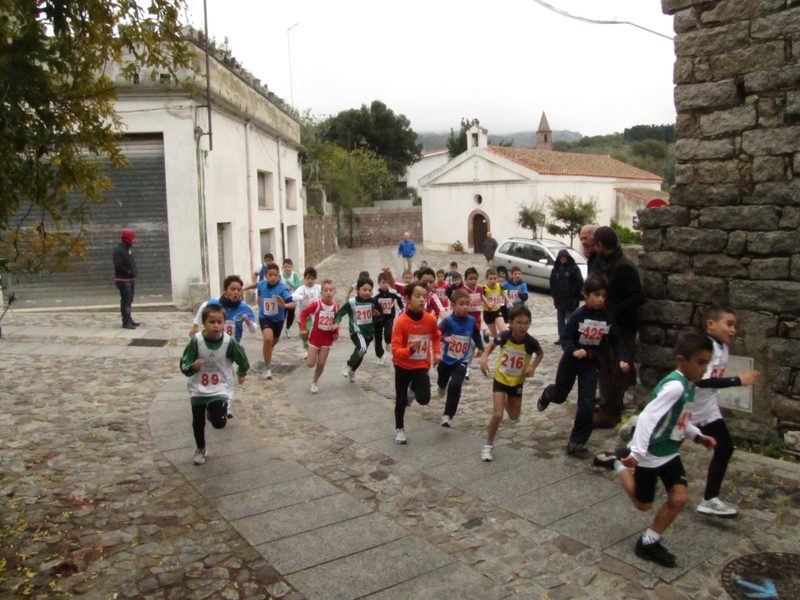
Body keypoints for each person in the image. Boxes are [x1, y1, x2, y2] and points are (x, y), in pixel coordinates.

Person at [595, 330, 716, 568]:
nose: (704, 369)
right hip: (651, 454)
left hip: (669, 452)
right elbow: (648, 417)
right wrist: (637, 454)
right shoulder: (676, 387)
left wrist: (697, 436)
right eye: (700, 362)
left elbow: (676, 419)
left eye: (707, 363)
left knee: (679, 498)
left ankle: (649, 542)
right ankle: (617, 463)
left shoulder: (689, 385)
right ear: (682, 360)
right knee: (643, 505)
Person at [537, 274, 628, 458]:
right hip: (571, 362)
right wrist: (573, 350)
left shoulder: (607, 317)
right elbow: (566, 337)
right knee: (561, 395)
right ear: (586, 295)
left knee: (587, 402)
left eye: (603, 295)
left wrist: (622, 358)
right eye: (597, 295)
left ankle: (577, 442)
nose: (601, 299)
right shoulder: (579, 315)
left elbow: (617, 340)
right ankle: (548, 393)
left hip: (591, 363)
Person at [692, 305, 760, 517]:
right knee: (653, 451)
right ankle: (618, 458)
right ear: (710, 324)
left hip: (707, 409)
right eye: (728, 324)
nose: (733, 330)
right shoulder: (704, 347)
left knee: (725, 447)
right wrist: (737, 380)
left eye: (735, 326)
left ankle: (709, 499)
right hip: (685, 408)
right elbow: (701, 381)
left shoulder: (723, 348)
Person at [180, 304, 250, 465]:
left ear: (224, 323)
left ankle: (214, 413)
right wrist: (192, 366)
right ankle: (200, 448)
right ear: (204, 323)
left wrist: (242, 372)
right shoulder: (196, 341)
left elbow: (241, 358)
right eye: (212, 322)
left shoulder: (228, 341)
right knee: (198, 421)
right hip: (198, 387)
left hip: (220, 386)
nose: (216, 325)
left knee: (219, 423)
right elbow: (185, 363)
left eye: (219, 322)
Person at [593, 226, 646, 428]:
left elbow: (637, 298)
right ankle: (607, 407)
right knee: (605, 368)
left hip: (622, 327)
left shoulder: (624, 267)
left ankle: (611, 412)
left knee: (617, 371)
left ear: (601, 245)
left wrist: (613, 311)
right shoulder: (604, 262)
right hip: (605, 325)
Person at [479, 305, 543, 462]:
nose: (523, 326)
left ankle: (507, 400)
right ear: (511, 323)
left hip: (516, 381)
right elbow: (492, 344)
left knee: (514, 417)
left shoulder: (530, 342)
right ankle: (488, 445)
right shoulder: (505, 336)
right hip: (501, 378)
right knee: (498, 414)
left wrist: (532, 368)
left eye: (526, 323)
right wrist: (484, 358)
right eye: (519, 322)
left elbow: (540, 353)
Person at [189, 275, 257, 418]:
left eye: (239, 290)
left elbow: (254, 330)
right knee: (212, 370)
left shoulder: (244, 308)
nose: (236, 292)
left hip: (231, 346)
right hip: (212, 344)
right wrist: (195, 325)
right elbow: (202, 307)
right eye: (232, 289)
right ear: (225, 290)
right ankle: (208, 397)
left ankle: (225, 404)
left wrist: (249, 323)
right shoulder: (215, 303)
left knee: (227, 373)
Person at [392, 281, 442, 444]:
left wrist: (436, 352)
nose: (422, 300)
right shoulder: (401, 322)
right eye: (417, 296)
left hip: (420, 365)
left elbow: (435, 336)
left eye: (424, 296)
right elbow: (396, 350)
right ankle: (399, 428)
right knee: (400, 400)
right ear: (407, 298)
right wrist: (410, 351)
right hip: (402, 366)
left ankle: (413, 390)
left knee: (424, 398)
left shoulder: (430, 319)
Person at [437, 290, 482, 427]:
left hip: (462, 360)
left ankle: (448, 415)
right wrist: (445, 338)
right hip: (446, 360)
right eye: (461, 304)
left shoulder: (472, 320)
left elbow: (476, 334)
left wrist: (481, 347)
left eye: (467, 304)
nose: (465, 307)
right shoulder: (448, 321)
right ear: (453, 305)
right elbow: (436, 334)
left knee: (456, 385)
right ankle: (441, 385)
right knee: (442, 381)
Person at [335, 277, 382, 382]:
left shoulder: (373, 302)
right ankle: (347, 366)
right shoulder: (351, 302)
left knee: (361, 353)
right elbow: (340, 312)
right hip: (356, 331)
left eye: (370, 290)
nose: (367, 292)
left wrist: (377, 315)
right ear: (357, 290)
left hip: (369, 332)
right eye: (364, 290)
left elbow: (381, 315)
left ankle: (353, 370)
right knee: (361, 349)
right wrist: (337, 322)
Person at [299, 280, 340, 394]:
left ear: (334, 292)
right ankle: (309, 351)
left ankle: (314, 382)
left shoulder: (336, 307)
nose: (328, 293)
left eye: (331, 290)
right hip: (315, 338)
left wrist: (336, 332)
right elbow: (303, 314)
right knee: (310, 364)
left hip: (327, 339)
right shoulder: (317, 304)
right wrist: (303, 328)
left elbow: (337, 320)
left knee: (321, 363)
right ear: (321, 292)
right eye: (326, 290)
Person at [256, 263, 295, 381]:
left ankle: (269, 348)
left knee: (274, 341)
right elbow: (255, 285)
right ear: (266, 276)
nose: (273, 277)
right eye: (270, 275)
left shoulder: (282, 289)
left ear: (279, 276)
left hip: (278, 319)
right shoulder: (262, 284)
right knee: (267, 339)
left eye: (275, 275)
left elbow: (292, 304)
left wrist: (284, 305)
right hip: (265, 317)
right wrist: (243, 289)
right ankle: (268, 369)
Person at [549, 249, 584, 343]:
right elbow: (552, 282)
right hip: (559, 299)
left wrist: (572, 293)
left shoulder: (574, 268)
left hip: (570, 300)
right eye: (561, 257)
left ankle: (570, 337)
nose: (563, 259)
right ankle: (562, 337)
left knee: (570, 319)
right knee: (560, 320)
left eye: (565, 257)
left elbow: (579, 282)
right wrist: (554, 294)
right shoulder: (556, 269)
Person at [372, 272, 404, 366]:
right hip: (378, 320)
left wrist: (402, 307)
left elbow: (399, 298)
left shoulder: (392, 293)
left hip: (389, 318)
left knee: (388, 333)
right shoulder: (375, 295)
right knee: (377, 339)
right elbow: (371, 303)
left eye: (387, 283)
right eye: (383, 282)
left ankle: (387, 342)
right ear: (379, 283)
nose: (385, 285)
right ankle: (380, 356)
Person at [292, 267, 322, 355]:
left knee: (311, 330)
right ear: (305, 278)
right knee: (304, 334)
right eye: (308, 278)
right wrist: (301, 297)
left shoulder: (318, 288)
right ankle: (306, 347)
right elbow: (293, 297)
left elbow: (325, 291)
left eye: (312, 279)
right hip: (302, 315)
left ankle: (310, 349)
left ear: (315, 279)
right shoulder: (302, 289)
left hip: (313, 315)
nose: (310, 281)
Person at [113, 230, 138, 329]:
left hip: (130, 280)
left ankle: (129, 318)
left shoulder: (127, 249)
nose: (134, 241)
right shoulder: (119, 251)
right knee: (125, 300)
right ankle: (125, 321)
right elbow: (118, 265)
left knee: (129, 301)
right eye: (132, 239)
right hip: (123, 280)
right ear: (127, 240)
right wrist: (128, 272)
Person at [482, 268, 508, 340]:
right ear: (486, 278)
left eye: (494, 278)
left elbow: (502, 293)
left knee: (503, 331)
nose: (493, 281)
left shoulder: (499, 286)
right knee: (494, 334)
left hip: (497, 311)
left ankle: (504, 347)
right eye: (490, 279)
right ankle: (486, 332)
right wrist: (487, 304)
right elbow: (480, 300)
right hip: (488, 313)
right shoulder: (484, 289)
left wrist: (509, 301)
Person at [280, 259, 302, 338]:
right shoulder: (280, 275)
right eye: (285, 267)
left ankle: (288, 328)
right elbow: (278, 285)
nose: (287, 269)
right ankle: (279, 329)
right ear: (283, 267)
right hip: (283, 298)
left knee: (291, 314)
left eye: (289, 267)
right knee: (282, 314)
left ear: (292, 267)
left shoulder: (294, 275)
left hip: (292, 298)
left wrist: (290, 283)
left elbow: (298, 285)